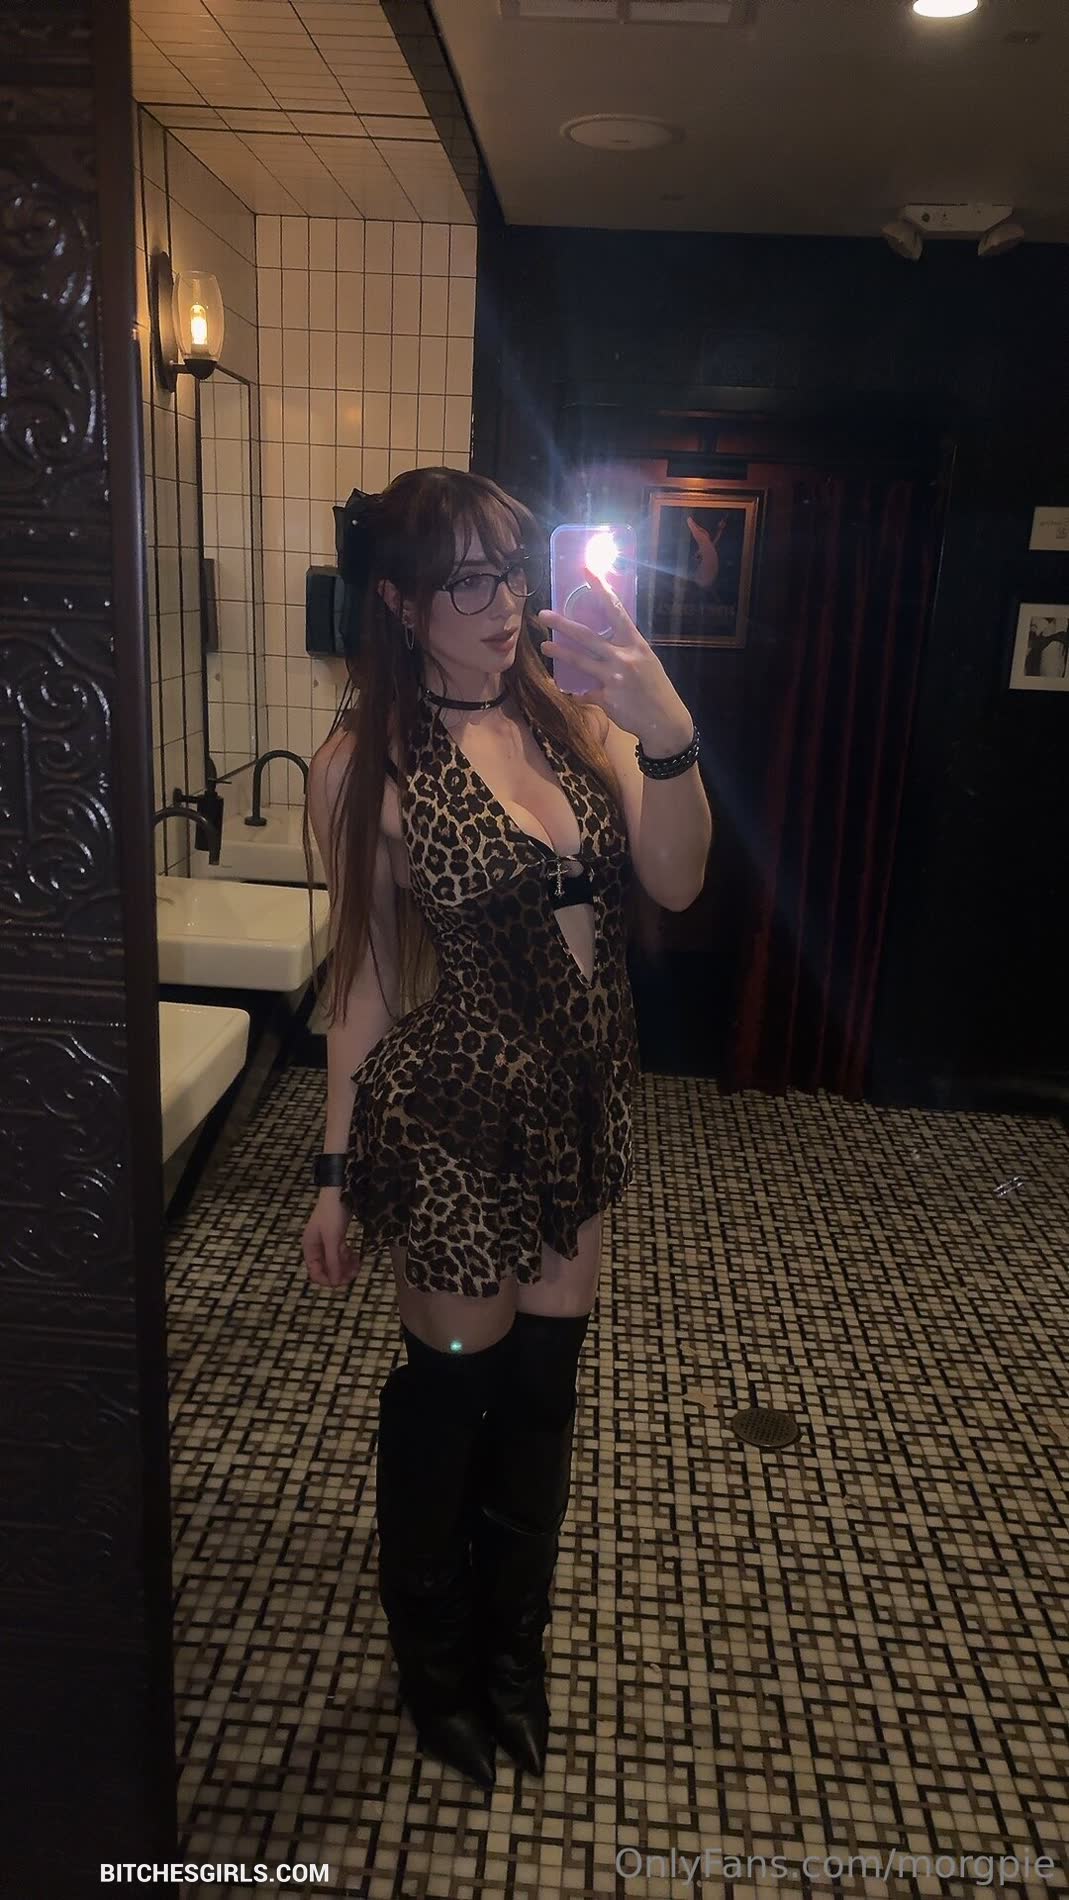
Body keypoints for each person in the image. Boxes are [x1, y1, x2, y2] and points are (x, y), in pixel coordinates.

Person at [300, 467, 710, 1792]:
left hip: (578, 1110)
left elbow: (675, 880)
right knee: (453, 1391)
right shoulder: (363, 763)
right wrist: (332, 1172)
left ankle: (511, 1657)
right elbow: (363, 983)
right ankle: (435, 1666)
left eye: (511, 571)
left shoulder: (580, 715)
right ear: (399, 600)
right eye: (465, 580)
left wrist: (666, 728)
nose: (500, 603)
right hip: (455, 1124)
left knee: (541, 1393)